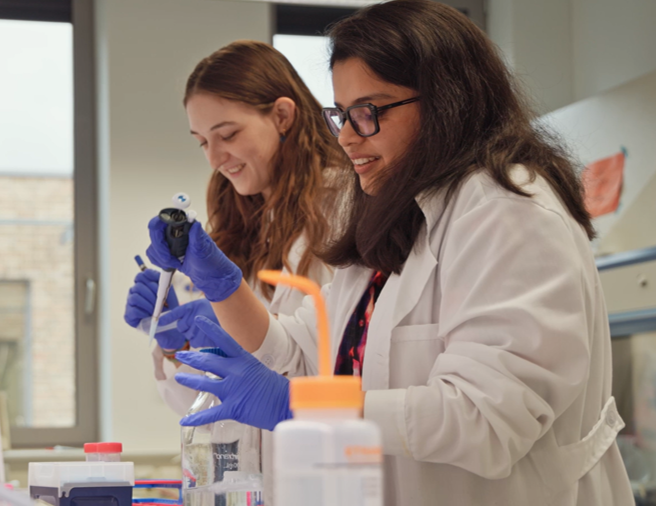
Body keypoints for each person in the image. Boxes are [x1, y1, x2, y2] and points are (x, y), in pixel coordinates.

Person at [144, 1, 635, 505]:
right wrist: (224, 288)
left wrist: (296, 405)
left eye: (368, 113)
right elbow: (304, 348)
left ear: (448, 100)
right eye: (341, 114)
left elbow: (487, 419)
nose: (347, 137)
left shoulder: (509, 213)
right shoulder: (403, 216)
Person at [123, 40, 348, 501]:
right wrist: (178, 347)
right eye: (204, 142)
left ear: (282, 116)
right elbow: (216, 411)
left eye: (227, 135)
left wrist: (229, 308)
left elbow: (319, 362)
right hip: (253, 483)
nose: (214, 157)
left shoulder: (346, 205)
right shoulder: (245, 219)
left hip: (322, 473)